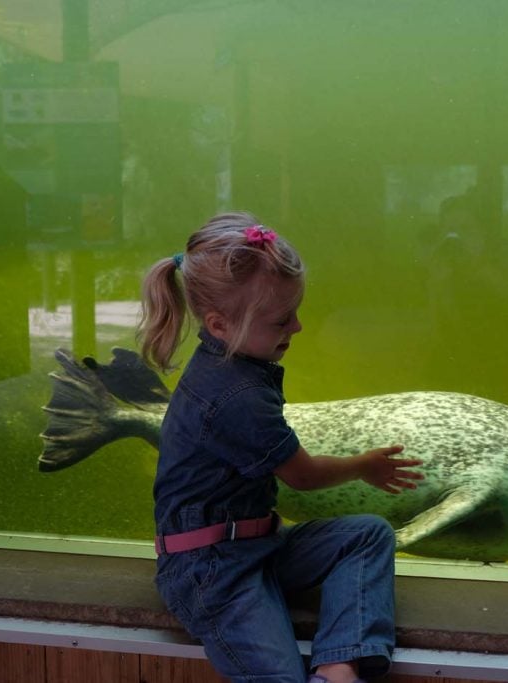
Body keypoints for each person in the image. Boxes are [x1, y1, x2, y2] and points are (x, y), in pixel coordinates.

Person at [138, 211, 424, 683]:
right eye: (281, 319)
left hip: (256, 545)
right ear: (220, 324)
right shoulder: (235, 396)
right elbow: (303, 476)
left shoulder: (235, 366)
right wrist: (363, 466)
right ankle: (337, 672)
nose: (297, 327)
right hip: (211, 571)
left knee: (367, 534)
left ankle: (337, 661)